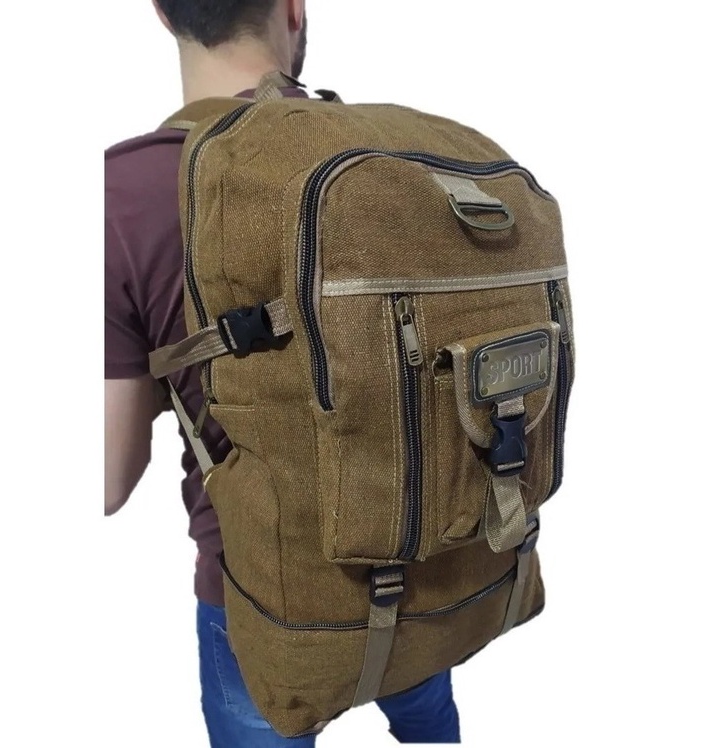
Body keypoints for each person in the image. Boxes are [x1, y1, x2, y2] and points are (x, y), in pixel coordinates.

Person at [104, 1, 461, 744]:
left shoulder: (122, 194)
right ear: (294, 10)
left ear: (163, 13)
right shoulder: (398, 154)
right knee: (429, 722)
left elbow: (108, 480)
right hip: (430, 561)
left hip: (265, 609)